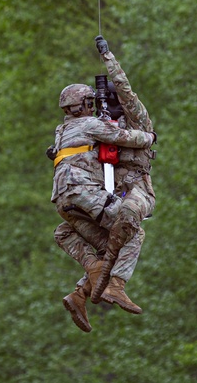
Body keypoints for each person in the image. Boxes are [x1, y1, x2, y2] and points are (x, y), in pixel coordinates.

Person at [48, 41, 156, 330]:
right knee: (126, 237)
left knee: (120, 232)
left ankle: (82, 293)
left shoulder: (136, 121)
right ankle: (113, 284)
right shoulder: (96, 126)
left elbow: (127, 93)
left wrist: (108, 57)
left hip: (132, 191)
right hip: (96, 194)